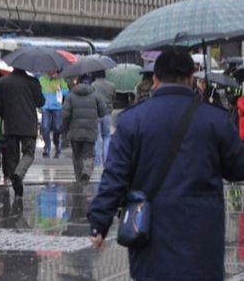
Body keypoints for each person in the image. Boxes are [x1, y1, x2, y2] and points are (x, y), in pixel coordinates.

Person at [88, 51, 244, 280]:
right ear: (191, 77)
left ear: (155, 79)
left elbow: (115, 176)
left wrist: (100, 223)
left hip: (151, 234)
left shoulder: (132, 120)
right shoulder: (215, 119)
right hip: (202, 237)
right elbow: (237, 169)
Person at [0, 68, 45, 197]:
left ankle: (16, 185)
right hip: (28, 125)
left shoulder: (3, 82)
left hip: (10, 124)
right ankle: (19, 174)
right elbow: (41, 102)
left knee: (12, 156)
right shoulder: (33, 82)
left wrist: (6, 116)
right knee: (28, 153)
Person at [62, 74, 106, 184]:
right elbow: (103, 112)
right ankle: (86, 172)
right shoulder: (96, 94)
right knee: (89, 154)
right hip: (90, 131)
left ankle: (78, 178)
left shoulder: (71, 95)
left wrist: (66, 127)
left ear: (78, 82)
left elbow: (65, 115)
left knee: (77, 156)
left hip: (74, 131)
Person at [39, 70, 69, 158]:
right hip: (45, 107)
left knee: (57, 127)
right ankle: (47, 147)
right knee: (45, 127)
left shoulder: (60, 79)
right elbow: (38, 92)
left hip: (57, 107)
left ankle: (56, 144)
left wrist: (60, 89)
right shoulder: (42, 79)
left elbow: (67, 91)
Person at [91, 70, 116, 166]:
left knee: (97, 137)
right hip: (107, 113)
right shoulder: (111, 85)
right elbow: (113, 97)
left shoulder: (93, 85)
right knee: (107, 136)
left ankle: (97, 160)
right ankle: (106, 159)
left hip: (96, 113)